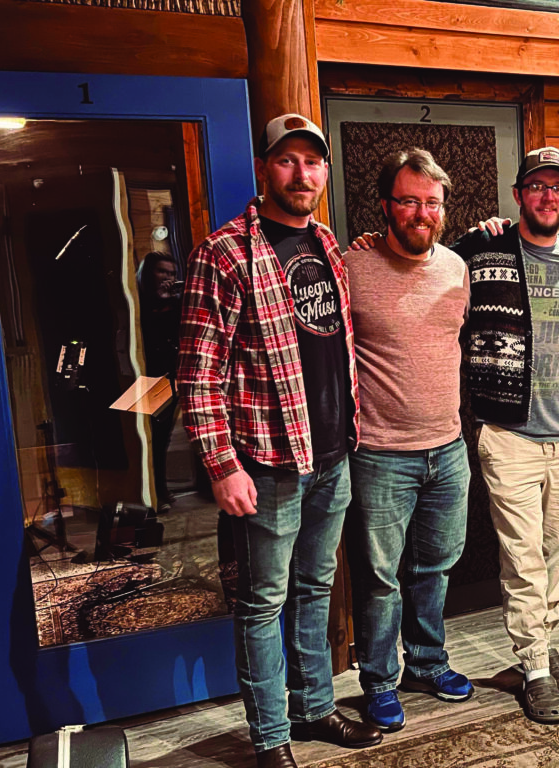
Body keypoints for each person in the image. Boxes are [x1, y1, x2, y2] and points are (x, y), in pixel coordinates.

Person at [177, 114, 382, 768]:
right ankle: (271, 739)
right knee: (263, 603)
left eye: (312, 162)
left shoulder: (325, 241)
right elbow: (198, 371)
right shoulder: (226, 252)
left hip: (331, 456)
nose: (302, 173)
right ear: (266, 167)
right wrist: (222, 465)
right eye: (288, 160)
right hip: (266, 466)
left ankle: (315, 706)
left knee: (317, 589)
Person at [452, 147, 559, 723]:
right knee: (522, 554)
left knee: (557, 548)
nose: (549, 197)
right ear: (518, 194)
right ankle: (535, 666)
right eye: (537, 187)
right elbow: (418, 261)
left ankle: (544, 639)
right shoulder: (483, 248)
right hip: (509, 434)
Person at [344, 148, 473, 733]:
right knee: (379, 578)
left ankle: (427, 662)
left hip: (448, 449)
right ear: (385, 206)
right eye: (409, 201)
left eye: (431, 203)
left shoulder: (455, 267)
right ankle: (378, 681)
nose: (421, 212)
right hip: (379, 454)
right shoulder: (352, 265)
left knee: (435, 568)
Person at [138, 252, 181, 513]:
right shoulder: (138, 304)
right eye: (162, 272)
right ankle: (151, 492)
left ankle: (161, 488)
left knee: (162, 437)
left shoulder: (176, 304)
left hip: (170, 378)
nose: (167, 278)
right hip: (144, 378)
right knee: (147, 439)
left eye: (171, 274)